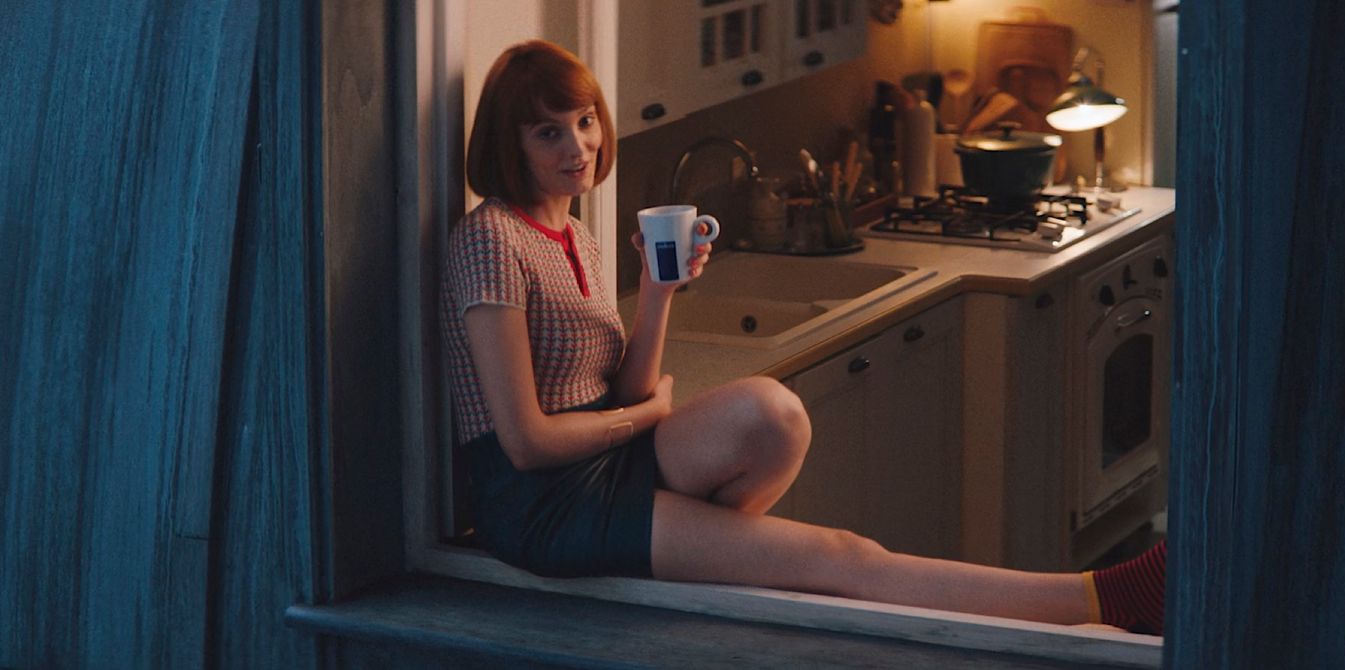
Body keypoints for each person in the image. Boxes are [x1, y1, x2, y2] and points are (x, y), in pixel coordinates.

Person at [441, 39, 1167, 636]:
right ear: (511, 145)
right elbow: (527, 442)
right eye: (549, 131)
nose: (579, 146)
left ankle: (709, 564)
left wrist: (658, 293)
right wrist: (646, 417)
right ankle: (1098, 601)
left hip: (608, 464)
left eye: (586, 121)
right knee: (841, 556)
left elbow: (623, 386)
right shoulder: (490, 239)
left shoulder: (572, 231)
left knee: (772, 414)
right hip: (542, 503)